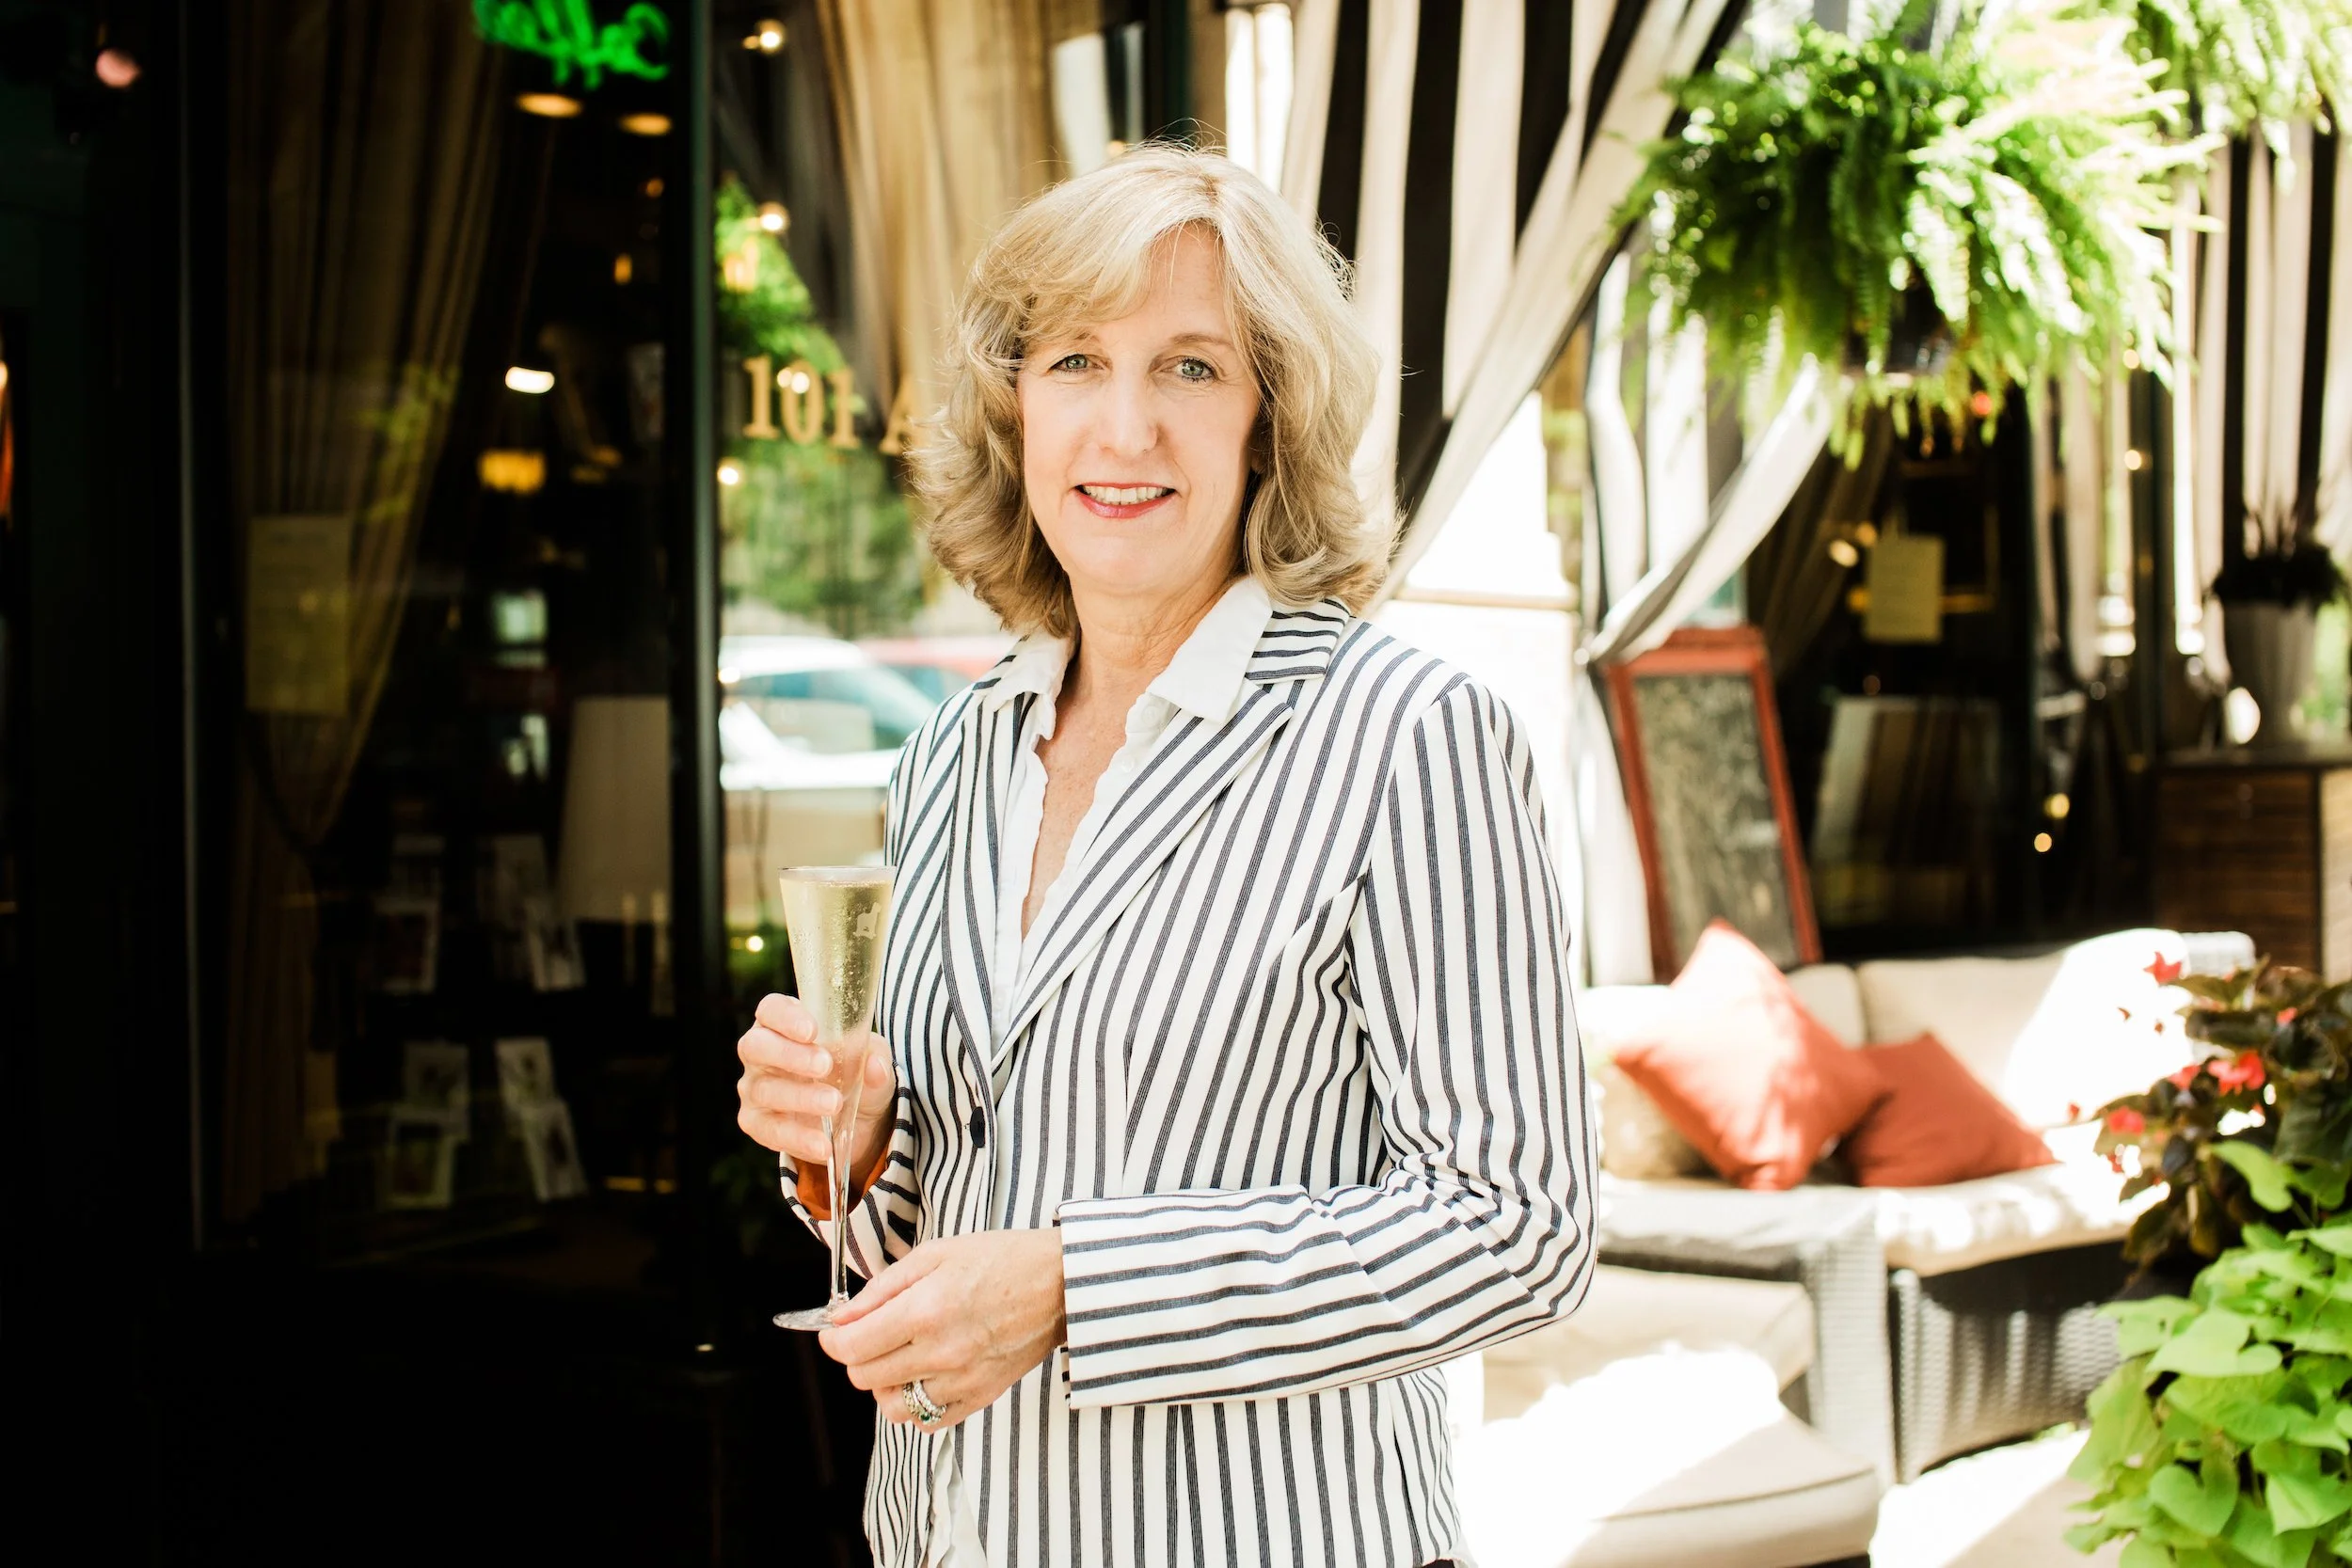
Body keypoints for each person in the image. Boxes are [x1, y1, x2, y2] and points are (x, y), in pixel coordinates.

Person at [737, 144, 1593, 1568]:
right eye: (1076, 360)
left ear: (1269, 420)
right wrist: (863, 1149)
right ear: (1019, 407)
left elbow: (1519, 1226)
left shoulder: (1408, 734)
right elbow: (941, 1233)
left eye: (1190, 368)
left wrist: (1080, 1283)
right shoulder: (956, 750)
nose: (1124, 428)